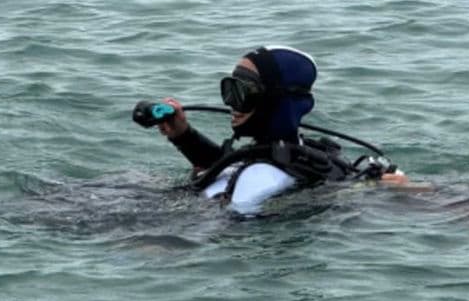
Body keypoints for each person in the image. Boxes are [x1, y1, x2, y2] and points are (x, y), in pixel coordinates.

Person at [145, 45, 405, 214]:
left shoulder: (261, 179)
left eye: (242, 93)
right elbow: (227, 165)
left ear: (275, 102)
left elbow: (215, 228)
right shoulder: (303, 154)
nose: (231, 104)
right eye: (229, 89)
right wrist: (182, 135)